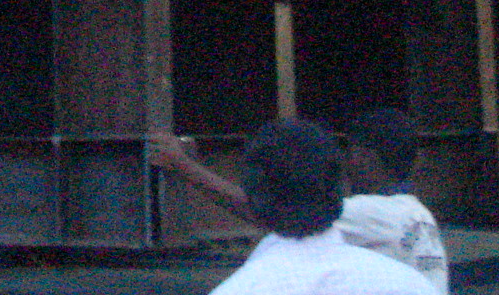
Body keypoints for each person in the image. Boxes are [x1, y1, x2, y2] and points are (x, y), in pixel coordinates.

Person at [162, 120, 432, 295]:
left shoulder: (243, 288)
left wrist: (184, 166)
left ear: (255, 192)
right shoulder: (410, 283)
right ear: (338, 187)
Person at [337, 109, 448, 294]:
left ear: (365, 157)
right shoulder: (419, 213)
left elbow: (294, 220)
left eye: (349, 152)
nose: (345, 162)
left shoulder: (364, 211)